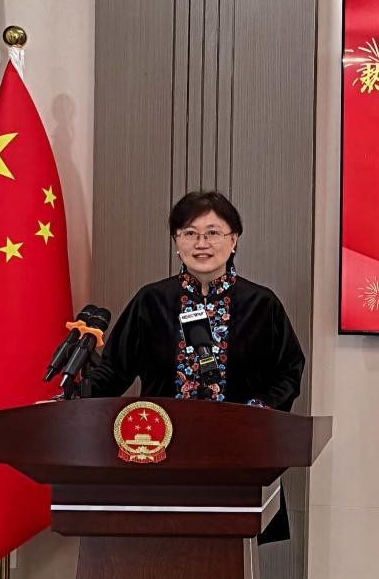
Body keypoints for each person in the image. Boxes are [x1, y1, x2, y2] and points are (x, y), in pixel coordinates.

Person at [84, 190, 305, 541]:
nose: (201, 243)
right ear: (176, 241)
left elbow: (289, 373)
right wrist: (73, 398)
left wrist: (253, 414)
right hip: (156, 457)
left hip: (237, 460)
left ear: (233, 240)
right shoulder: (151, 301)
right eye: (189, 233)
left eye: (213, 232)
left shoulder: (261, 304)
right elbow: (113, 371)